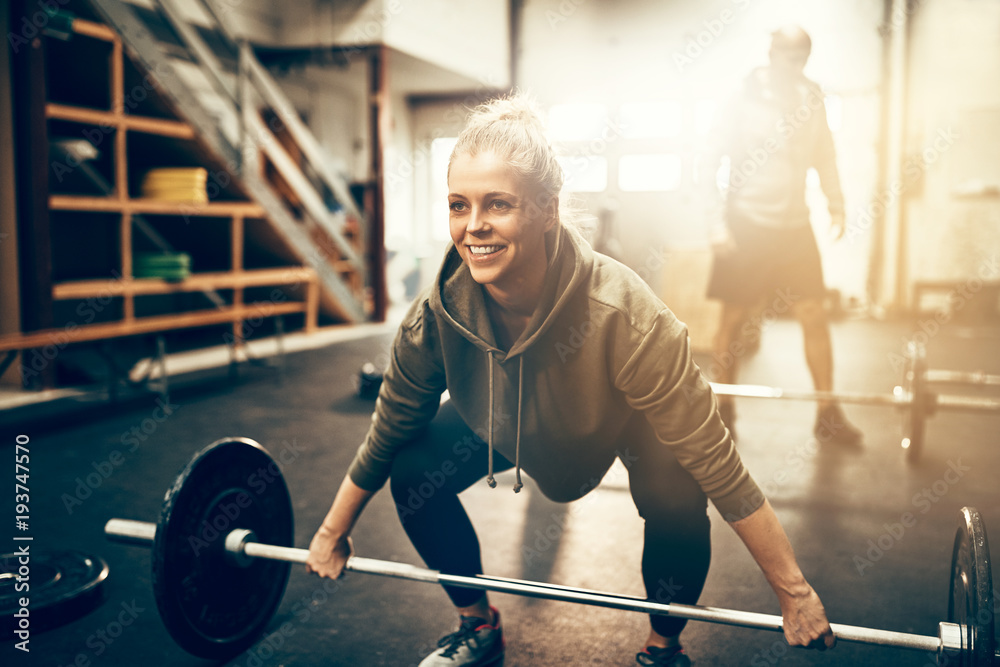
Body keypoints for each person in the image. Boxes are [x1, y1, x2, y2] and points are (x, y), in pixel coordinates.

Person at [306, 93, 835, 666]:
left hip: (618, 420)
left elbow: (719, 465)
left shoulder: (627, 315)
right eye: (459, 205)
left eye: (498, 205)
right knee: (411, 465)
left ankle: (663, 648)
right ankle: (477, 624)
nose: (474, 226)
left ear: (548, 209)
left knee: (680, 486)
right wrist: (331, 531)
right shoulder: (437, 318)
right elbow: (385, 433)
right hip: (503, 415)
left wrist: (794, 592)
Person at [705, 25, 863, 446]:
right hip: (746, 222)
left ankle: (827, 413)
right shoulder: (742, 96)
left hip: (795, 224)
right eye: (788, 57)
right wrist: (715, 224)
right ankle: (724, 409)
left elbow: (824, 153)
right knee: (734, 320)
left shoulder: (812, 98)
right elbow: (708, 159)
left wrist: (837, 202)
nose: (795, 65)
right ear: (772, 53)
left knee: (814, 314)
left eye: (802, 58)